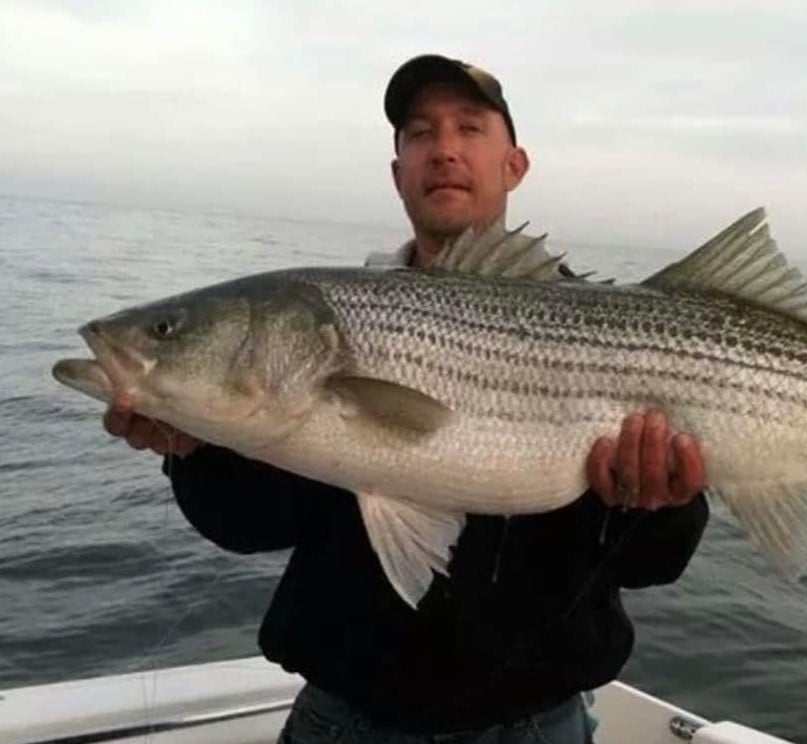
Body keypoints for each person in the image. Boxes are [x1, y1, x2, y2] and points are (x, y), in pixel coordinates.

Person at [103, 54, 710, 744]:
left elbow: (652, 563)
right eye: (419, 133)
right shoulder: (329, 326)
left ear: (514, 165)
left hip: (535, 726)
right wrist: (196, 449)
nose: (443, 148)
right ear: (398, 174)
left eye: (469, 127)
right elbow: (251, 526)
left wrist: (654, 501)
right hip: (343, 719)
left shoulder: (614, 328)